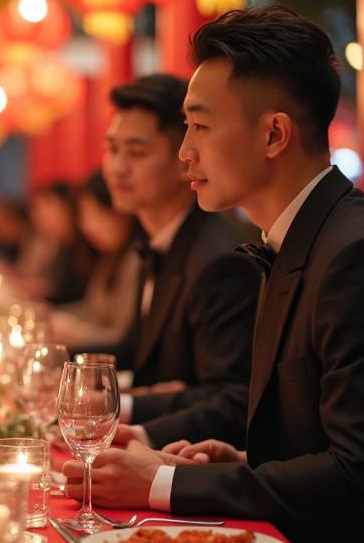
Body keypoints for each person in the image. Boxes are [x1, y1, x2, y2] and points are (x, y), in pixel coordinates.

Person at [64, 6, 364, 541]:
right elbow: (318, 445)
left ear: (273, 135)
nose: (185, 151)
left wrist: (164, 483)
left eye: (200, 126)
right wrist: (237, 461)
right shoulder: (295, 239)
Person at [91, 74, 259, 446]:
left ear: (184, 160)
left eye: (136, 153)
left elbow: (235, 399)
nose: (117, 167)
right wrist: (59, 370)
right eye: (112, 149)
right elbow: (138, 351)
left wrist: (122, 406)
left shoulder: (218, 259)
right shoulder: (159, 240)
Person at [51, 171, 140, 348]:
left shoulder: (138, 259)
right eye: (83, 216)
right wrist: (50, 316)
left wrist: (75, 331)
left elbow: (127, 341)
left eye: (97, 213)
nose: (89, 226)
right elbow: (91, 310)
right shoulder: (109, 258)